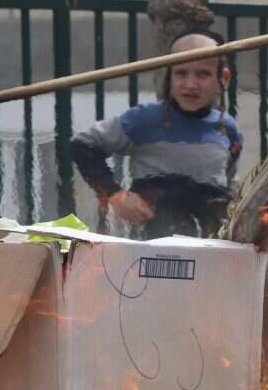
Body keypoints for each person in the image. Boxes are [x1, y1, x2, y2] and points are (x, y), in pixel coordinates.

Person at [71, 29, 243, 239]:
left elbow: (231, 188)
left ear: (223, 78)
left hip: (211, 247)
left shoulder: (229, 130)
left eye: (203, 74)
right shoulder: (144, 120)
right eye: (181, 73)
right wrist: (115, 194)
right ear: (169, 76)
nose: (190, 84)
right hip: (152, 247)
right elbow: (82, 144)